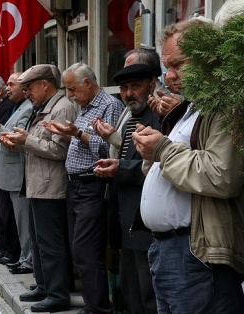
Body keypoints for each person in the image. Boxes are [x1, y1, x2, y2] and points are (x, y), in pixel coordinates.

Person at [133, 18, 244, 313]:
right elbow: (173, 164)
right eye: (166, 67)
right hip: (169, 249)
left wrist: (161, 149)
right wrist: (151, 156)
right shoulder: (192, 107)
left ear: (208, 58)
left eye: (178, 65)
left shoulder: (223, 106)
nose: (169, 77)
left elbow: (222, 175)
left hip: (193, 253)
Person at [0, 65, 77, 313]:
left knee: (51, 243)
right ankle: (44, 286)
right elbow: (39, 144)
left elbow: (60, 150)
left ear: (45, 85)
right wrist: (19, 143)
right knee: (38, 240)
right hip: (36, 184)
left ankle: (57, 294)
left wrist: (27, 141)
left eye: (30, 87)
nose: (28, 93)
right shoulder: (43, 108)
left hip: (51, 187)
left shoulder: (61, 107)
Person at [49, 62, 124, 313]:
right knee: (78, 249)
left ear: (88, 84)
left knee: (87, 250)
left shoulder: (109, 106)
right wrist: (71, 133)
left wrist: (78, 134)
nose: (70, 95)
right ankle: (94, 303)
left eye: (72, 89)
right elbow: (83, 139)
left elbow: (110, 149)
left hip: (94, 185)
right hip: (76, 185)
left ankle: (99, 307)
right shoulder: (84, 107)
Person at [92, 64, 160, 314]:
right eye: (124, 88)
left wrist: (120, 168)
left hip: (146, 219)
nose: (129, 94)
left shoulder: (158, 116)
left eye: (135, 87)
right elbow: (126, 153)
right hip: (125, 217)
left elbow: (158, 165)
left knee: (148, 292)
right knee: (131, 289)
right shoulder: (130, 117)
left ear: (152, 85)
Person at [0, 71, 34, 273]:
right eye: (8, 84)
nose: (9, 88)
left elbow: (15, 137)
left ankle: (27, 259)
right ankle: (22, 256)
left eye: (12, 84)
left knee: (20, 220)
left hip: (17, 173)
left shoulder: (26, 109)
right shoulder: (17, 107)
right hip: (8, 173)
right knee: (12, 218)